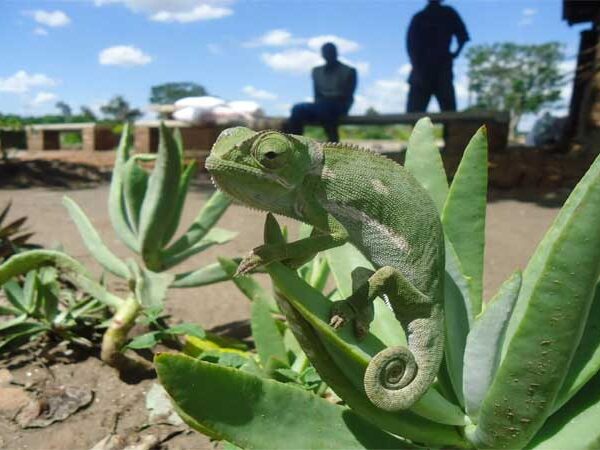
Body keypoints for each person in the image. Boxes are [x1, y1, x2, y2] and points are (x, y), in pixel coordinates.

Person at [283, 42, 357, 142]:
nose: (329, 54)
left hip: (340, 106)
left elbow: (348, 95)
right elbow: (316, 94)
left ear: (336, 53)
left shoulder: (349, 71)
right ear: (322, 55)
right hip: (320, 106)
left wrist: (329, 101)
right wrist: (319, 105)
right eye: (326, 52)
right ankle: (296, 143)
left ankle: (333, 142)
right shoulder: (316, 71)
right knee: (297, 109)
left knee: (326, 108)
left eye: (331, 52)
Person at [406, 0, 470, 112]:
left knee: (449, 114)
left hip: (439, 69)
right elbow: (411, 46)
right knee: (413, 114)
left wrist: (455, 54)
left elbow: (463, 37)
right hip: (423, 70)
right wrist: (416, 67)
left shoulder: (447, 14)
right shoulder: (419, 17)